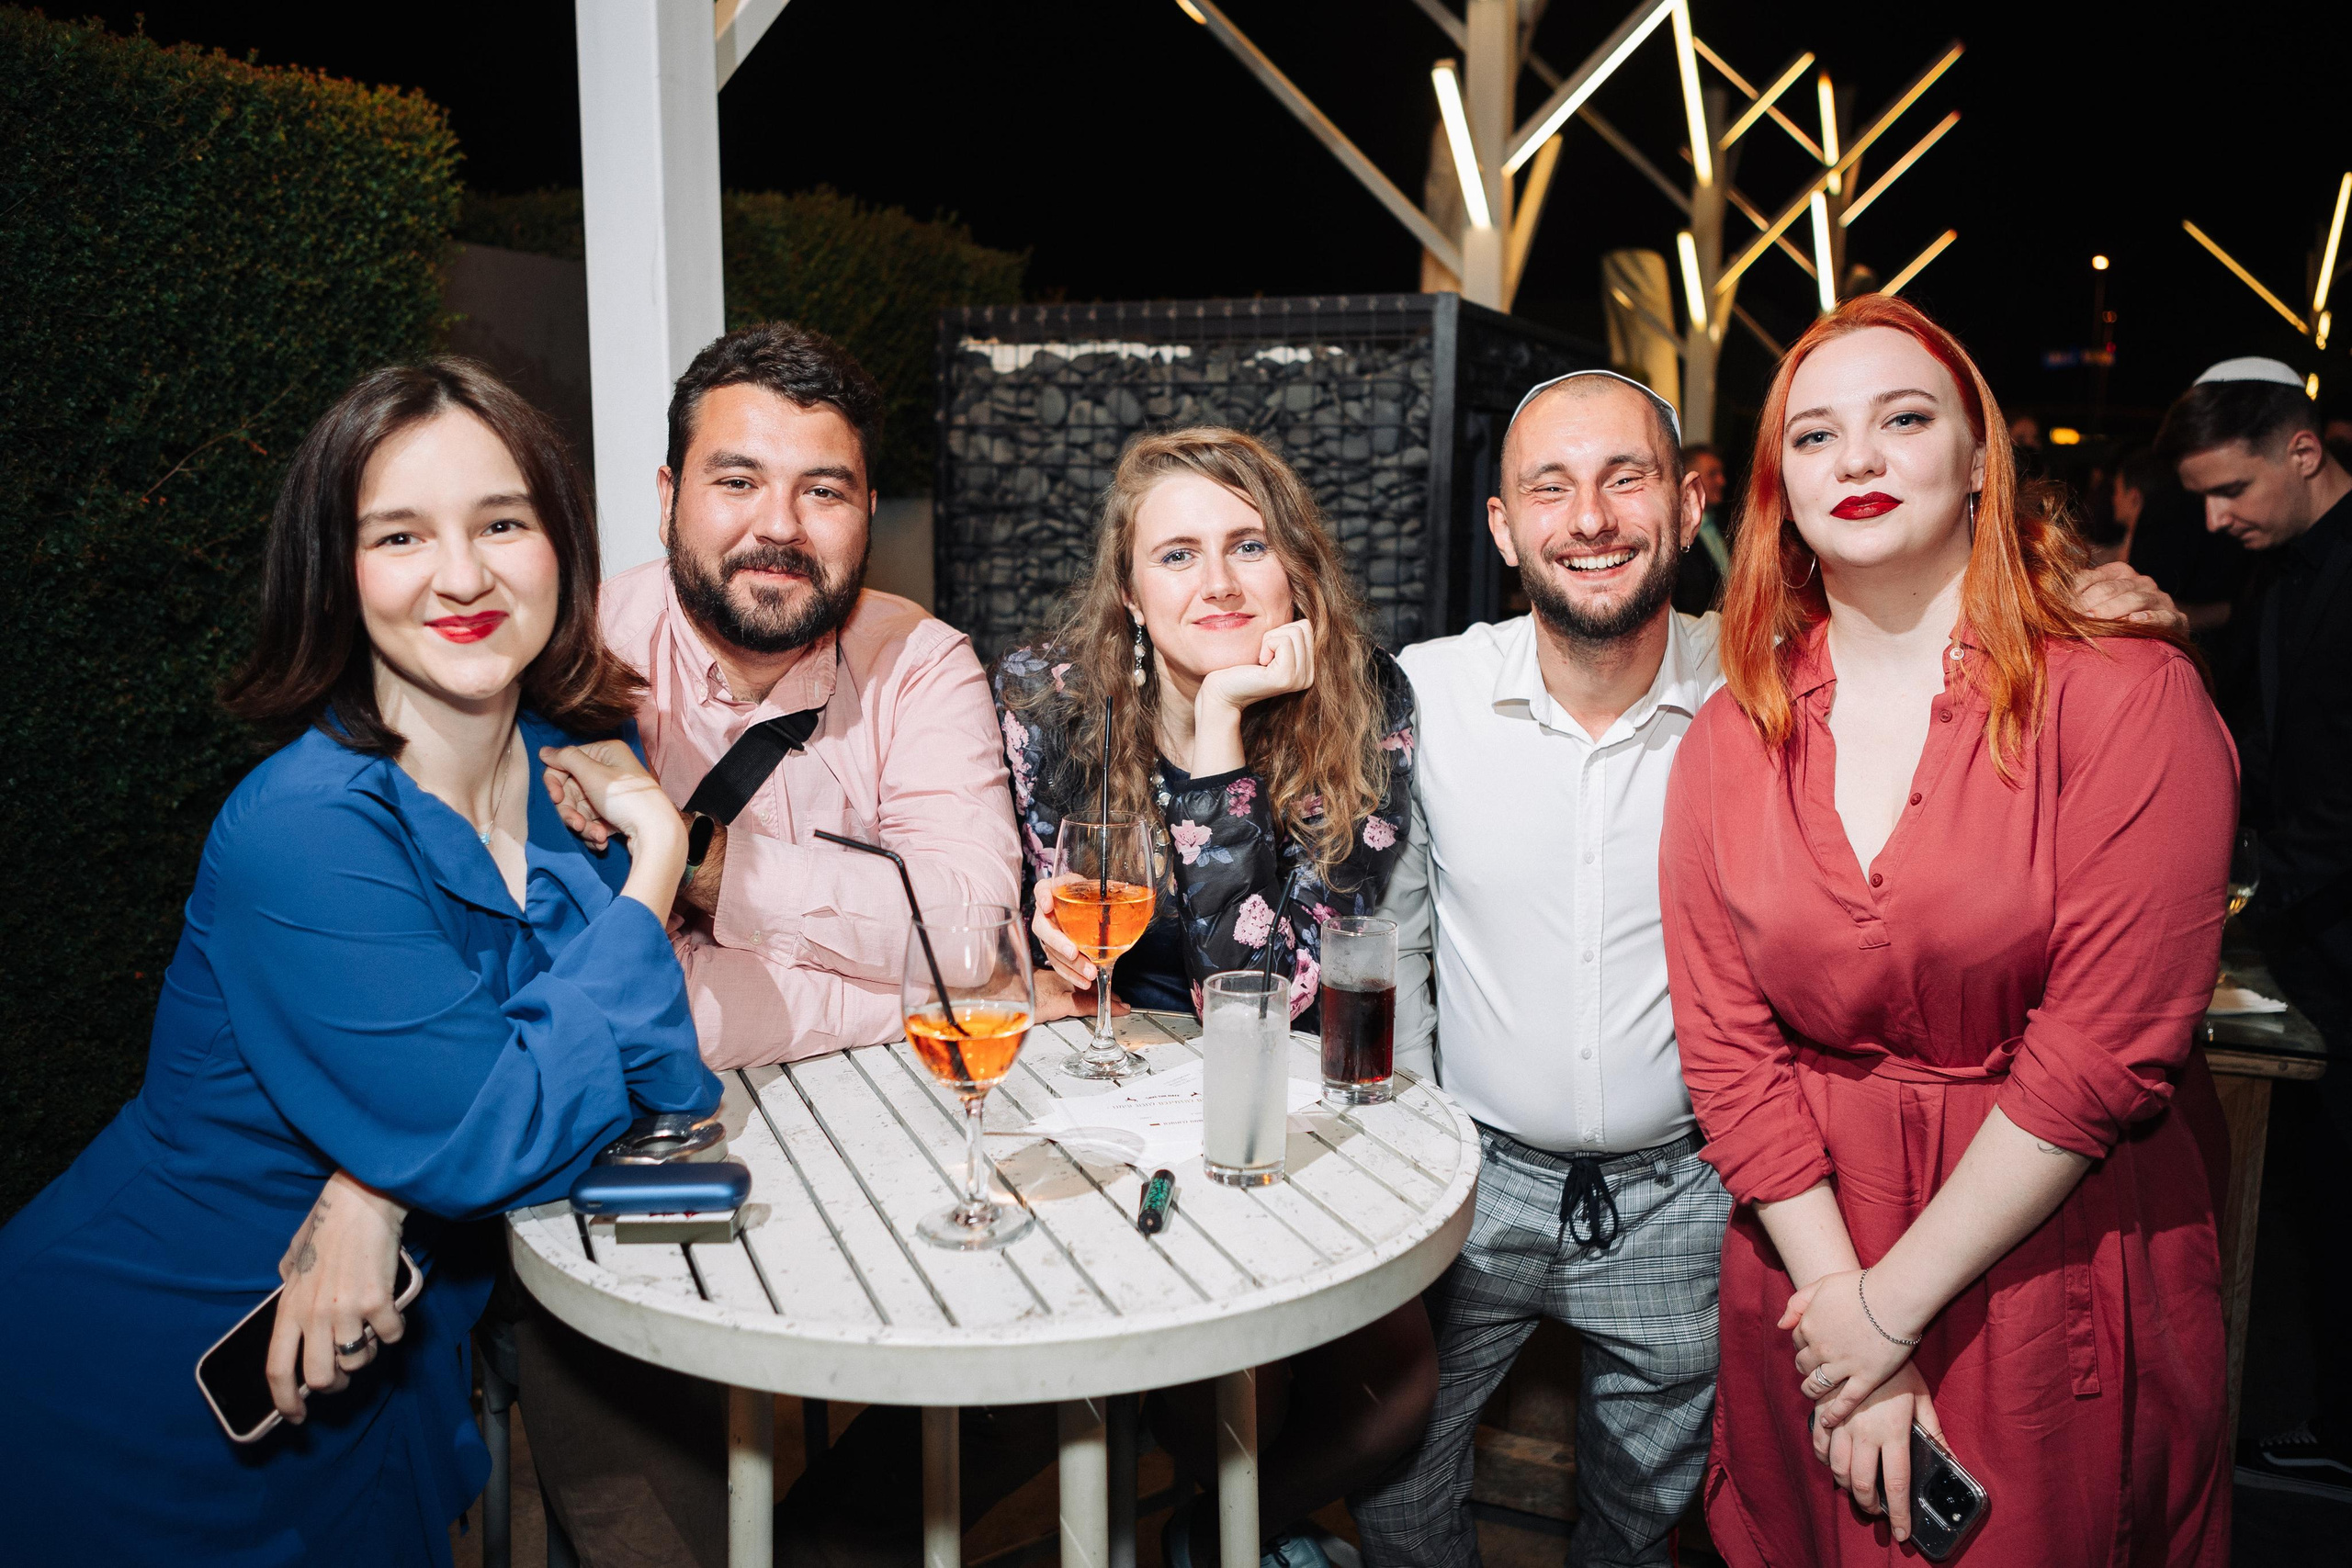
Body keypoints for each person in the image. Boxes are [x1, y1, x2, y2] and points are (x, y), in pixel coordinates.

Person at [1352, 363, 2188, 1568]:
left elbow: (1938, 622)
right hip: (1472, 1183)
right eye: (1550, 485)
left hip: (1698, 1191)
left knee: (1651, 1501)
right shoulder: (1425, 691)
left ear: (1688, 504)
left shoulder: (1774, 684)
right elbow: (1377, 922)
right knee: (1395, 1459)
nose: (1588, 516)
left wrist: (2076, 601)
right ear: (1502, 525)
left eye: (1623, 477)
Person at [0, 360, 721, 1565]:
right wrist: (655, 864)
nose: (461, 573)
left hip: (374, 1379)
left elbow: (657, 1085)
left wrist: (379, 1180)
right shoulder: (306, 828)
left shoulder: (579, 769)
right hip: (147, 1382)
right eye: (400, 534)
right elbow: (494, 1134)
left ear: (561, 542)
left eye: (502, 521)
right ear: (335, 574)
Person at [779, 427, 1431, 1568]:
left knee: (1393, 1391)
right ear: (1127, 591)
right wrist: (1034, 935)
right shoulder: (1046, 695)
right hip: (1085, 1077)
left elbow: (1276, 991)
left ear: (1297, 568)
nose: (1219, 583)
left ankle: (1204, 1535)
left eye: (1248, 546)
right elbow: (1005, 912)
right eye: (1176, 556)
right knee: (1078, 1358)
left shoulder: (1360, 698)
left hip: (1264, 1100)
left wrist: (1225, 723)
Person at [1661, 295, 2235, 1564]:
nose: (1856, 458)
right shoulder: (1728, 734)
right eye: (1814, 437)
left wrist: (1892, 1309)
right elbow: (1728, 1053)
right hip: (1810, 1253)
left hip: (2041, 1258)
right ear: (1779, 490)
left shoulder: (2130, 695)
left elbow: (2103, 1054)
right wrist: (1844, 1325)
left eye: (1902, 418)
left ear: (1983, 458)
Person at [588, 320, 1022, 1068]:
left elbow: (974, 934)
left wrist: (704, 861)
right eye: (737, 482)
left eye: (822, 491)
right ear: (668, 500)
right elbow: (623, 1010)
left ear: (868, 518)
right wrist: (927, 997)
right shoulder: (588, 659)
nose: (781, 526)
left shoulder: (919, 663)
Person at [2159, 355, 2352, 1497]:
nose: (2213, 518)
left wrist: (2244, 895)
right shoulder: (2278, 573)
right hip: (2307, 930)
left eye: (2229, 490)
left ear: (2302, 449)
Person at [1672, 440, 1733, 614]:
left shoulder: (1726, 526)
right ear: (1691, 481)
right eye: (1713, 474)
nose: (1722, 481)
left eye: (1721, 473)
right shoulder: (1675, 534)